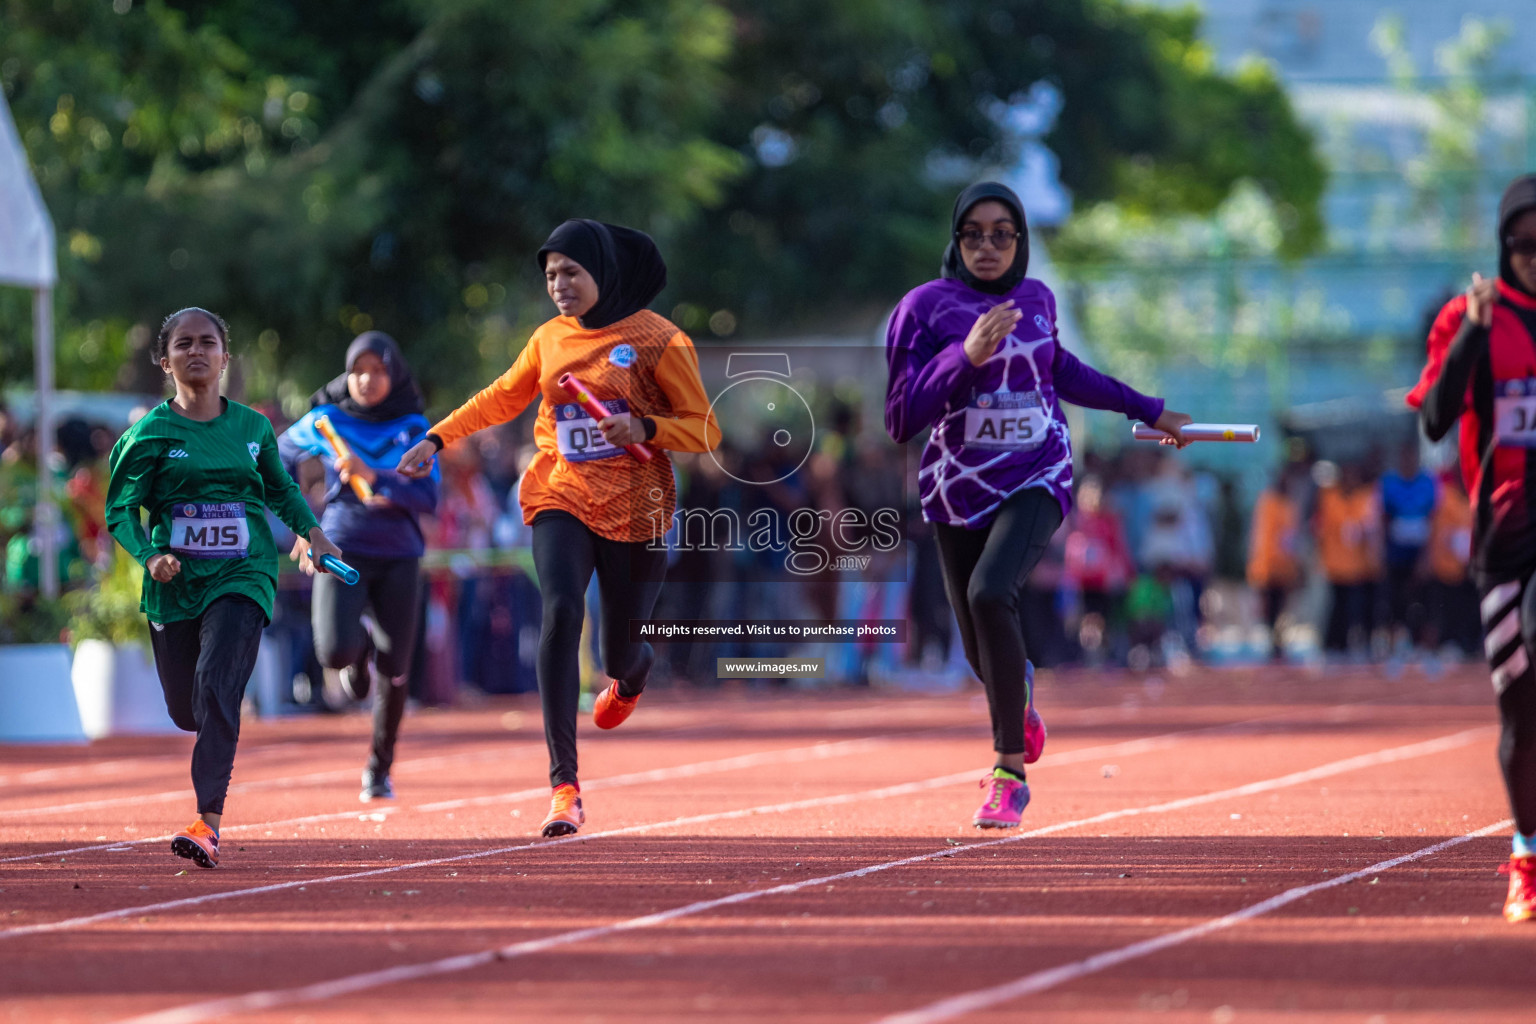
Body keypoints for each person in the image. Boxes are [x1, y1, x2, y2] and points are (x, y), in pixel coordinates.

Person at [884, 181, 1191, 829]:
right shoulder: (923, 309)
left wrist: (1149, 409)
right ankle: (1015, 689)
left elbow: (1065, 372)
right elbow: (901, 416)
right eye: (974, 233)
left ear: (1019, 241)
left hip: (1036, 473)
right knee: (982, 653)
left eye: (1003, 233)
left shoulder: (1037, 298)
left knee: (992, 594)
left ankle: (1007, 775)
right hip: (955, 489)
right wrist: (964, 358)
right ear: (956, 239)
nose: (988, 246)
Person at [398, 220, 720, 837]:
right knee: (562, 611)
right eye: (550, 275)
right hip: (560, 493)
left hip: (638, 508)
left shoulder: (660, 339)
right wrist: (439, 437)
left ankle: (634, 669)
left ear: (603, 271)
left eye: (571, 272)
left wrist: (645, 430)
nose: (558, 285)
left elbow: (706, 429)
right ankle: (563, 786)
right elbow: (501, 396)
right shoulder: (549, 339)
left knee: (620, 650)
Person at [105, 307, 344, 868]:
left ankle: (206, 821)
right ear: (165, 362)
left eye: (208, 342)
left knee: (217, 685)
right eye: (184, 344)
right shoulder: (150, 434)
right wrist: (151, 554)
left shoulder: (253, 428)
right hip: (176, 583)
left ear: (224, 358)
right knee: (189, 711)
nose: (197, 351)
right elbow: (119, 511)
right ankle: (208, 766)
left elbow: (280, 491)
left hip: (244, 571)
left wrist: (314, 533)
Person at [1408, 173, 1536, 923]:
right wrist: (1472, 337)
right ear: (1504, 247)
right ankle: (1526, 854)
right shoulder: (1473, 317)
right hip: (1504, 536)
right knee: (1521, 712)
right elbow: (1434, 422)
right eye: (1524, 247)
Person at [279, 332, 439, 802]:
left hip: (400, 554)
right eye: (358, 369)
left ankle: (378, 767)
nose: (366, 379)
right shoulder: (326, 420)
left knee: (396, 668)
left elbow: (429, 495)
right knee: (333, 652)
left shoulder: (414, 428)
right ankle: (358, 648)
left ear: (395, 374)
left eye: (378, 369)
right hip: (340, 545)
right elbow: (278, 459)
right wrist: (301, 524)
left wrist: (376, 476)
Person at [1314, 461, 1383, 659]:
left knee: (1357, 609)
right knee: (1336, 609)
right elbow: (1322, 529)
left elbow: (1368, 524)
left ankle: (1355, 644)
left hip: (1358, 566)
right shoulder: (1329, 497)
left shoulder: (1364, 497)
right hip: (1335, 565)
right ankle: (1333, 645)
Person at [1379, 441, 1438, 653]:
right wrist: (1382, 553)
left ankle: (1423, 645)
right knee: (1394, 601)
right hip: (1396, 553)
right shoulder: (1389, 483)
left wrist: (1426, 556)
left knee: (1423, 600)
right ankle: (1393, 645)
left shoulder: (1428, 482)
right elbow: (1383, 519)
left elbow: (1433, 520)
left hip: (1419, 552)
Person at [1247, 468, 1303, 661]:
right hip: (1267, 567)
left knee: (1282, 609)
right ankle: (1272, 643)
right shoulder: (1268, 503)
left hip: (1284, 567)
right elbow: (1262, 539)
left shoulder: (1290, 505)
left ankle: (1279, 643)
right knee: (1269, 608)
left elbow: (1291, 539)